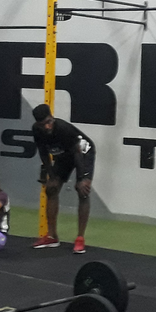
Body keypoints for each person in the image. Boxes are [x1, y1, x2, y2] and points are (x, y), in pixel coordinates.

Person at [30, 104, 94, 254]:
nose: (47, 126)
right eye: (43, 124)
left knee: (82, 191)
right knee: (51, 189)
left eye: (49, 122)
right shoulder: (37, 130)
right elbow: (43, 152)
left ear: (52, 117)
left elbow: (77, 153)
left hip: (82, 152)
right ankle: (52, 237)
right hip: (64, 155)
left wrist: (81, 178)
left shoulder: (63, 129)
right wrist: (51, 176)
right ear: (38, 124)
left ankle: (80, 238)